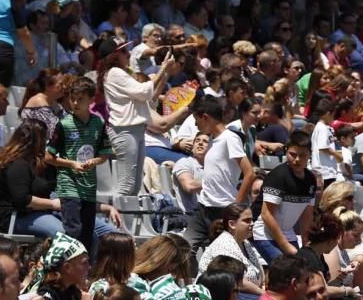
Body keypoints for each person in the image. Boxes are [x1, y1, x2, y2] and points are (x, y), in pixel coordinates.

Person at [98, 36, 177, 195]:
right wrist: (162, 69)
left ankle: (126, 218)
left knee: (134, 185)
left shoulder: (119, 72)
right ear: (114, 56)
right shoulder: (114, 73)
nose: (128, 55)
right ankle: (117, 218)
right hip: (125, 131)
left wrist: (165, 72)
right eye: (124, 51)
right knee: (127, 185)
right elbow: (143, 92)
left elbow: (149, 97)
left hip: (134, 130)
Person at [45, 77, 109, 252]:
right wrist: (72, 164)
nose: (74, 103)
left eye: (80, 99)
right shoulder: (64, 124)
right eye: (72, 98)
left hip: (88, 187)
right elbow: (48, 157)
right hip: (69, 185)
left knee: (87, 234)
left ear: (91, 99)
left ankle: (83, 273)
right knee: (74, 231)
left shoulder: (99, 123)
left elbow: (104, 154)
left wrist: (93, 161)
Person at [185, 96, 256, 248]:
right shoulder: (211, 141)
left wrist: (236, 205)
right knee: (186, 248)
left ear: (205, 117)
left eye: (196, 120)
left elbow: (249, 173)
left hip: (223, 209)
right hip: (203, 207)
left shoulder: (229, 138)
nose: (196, 125)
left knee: (223, 252)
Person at [251, 129, 315, 261]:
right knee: (285, 268)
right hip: (263, 233)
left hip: (287, 233)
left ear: (310, 154)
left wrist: (306, 245)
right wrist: (285, 245)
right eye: (292, 154)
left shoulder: (311, 180)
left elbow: (307, 217)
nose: (297, 159)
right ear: (286, 152)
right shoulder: (278, 176)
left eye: (302, 155)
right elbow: (267, 215)